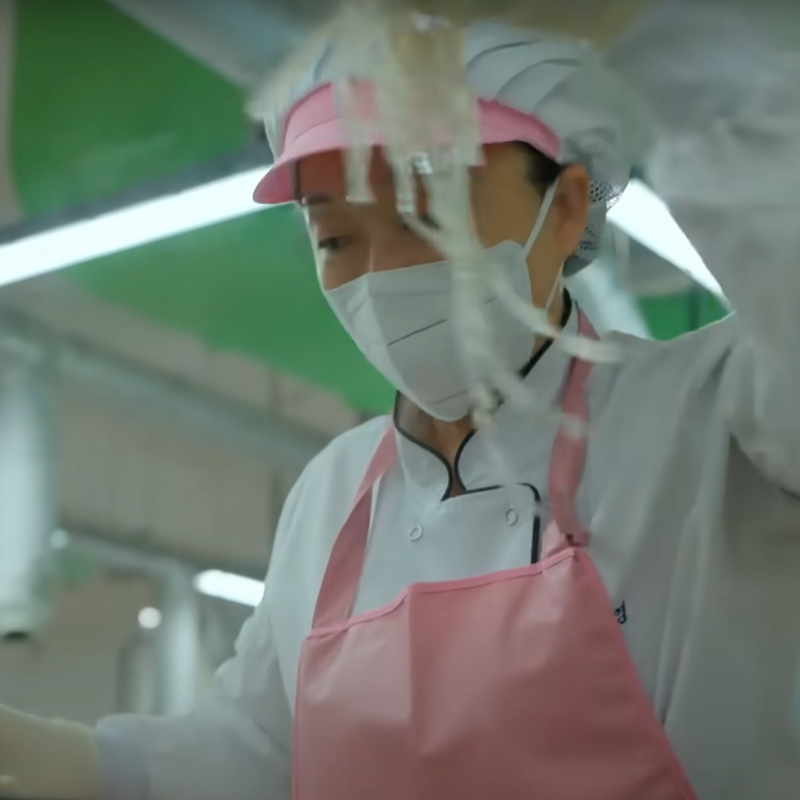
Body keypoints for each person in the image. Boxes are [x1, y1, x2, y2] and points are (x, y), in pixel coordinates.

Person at [2, 4, 800, 799]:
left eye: (426, 214)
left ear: (561, 211)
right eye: (336, 238)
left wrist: (666, 36)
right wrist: (82, 765)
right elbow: (257, 748)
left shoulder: (713, 416)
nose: (383, 275)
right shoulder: (330, 492)